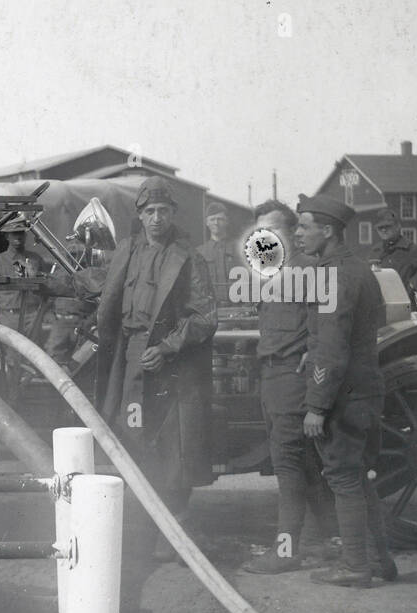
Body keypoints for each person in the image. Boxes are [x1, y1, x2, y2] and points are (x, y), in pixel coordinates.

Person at [96, 177, 217, 560]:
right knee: (130, 438)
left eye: (163, 211)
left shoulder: (188, 257)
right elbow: (104, 292)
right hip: (129, 359)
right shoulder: (127, 251)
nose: (156, 218)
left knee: (172, 447)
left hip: (170, 368)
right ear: (140, 215)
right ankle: (141, 530)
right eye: (149, 211)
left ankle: (173, 534)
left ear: (173, 214)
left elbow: (205, 317)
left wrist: (166, 348)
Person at [296, 195, 395, 587]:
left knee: (343, 478)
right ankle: (379, 562)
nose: (299, 234)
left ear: (328, 230)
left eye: (304, 227)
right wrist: (313, 351)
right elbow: (353, 332)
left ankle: (355, 568)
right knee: (358, 477)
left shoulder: (334, 275)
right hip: (365, 391)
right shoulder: (356, 269)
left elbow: (335, 347)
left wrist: (316, 406)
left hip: (343, 397)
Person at [242, 200, 337, 573]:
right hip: (272, 375)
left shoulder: (308, 270)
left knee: (288, 464)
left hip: (292, 380)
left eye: (277, 230)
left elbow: (331, 322)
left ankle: (286, 551)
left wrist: (313, 354)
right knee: (306, 464)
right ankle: (329, 540)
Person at [371, 208, 417, 311]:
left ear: (397, 227)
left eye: (388, 226)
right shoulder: (374, 252)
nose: (384, 230)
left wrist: (412, 285)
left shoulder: (410, 249)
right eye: (380, 227)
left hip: (403, 306)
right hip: (379, 307)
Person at [196, 202, 240, 307]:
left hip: (238, 309)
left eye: (220, 219)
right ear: (207, 222)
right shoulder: (199, 252)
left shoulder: (239, 249)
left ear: (227, 222)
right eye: (212, 219)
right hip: (211, 310)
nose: (216, 222)